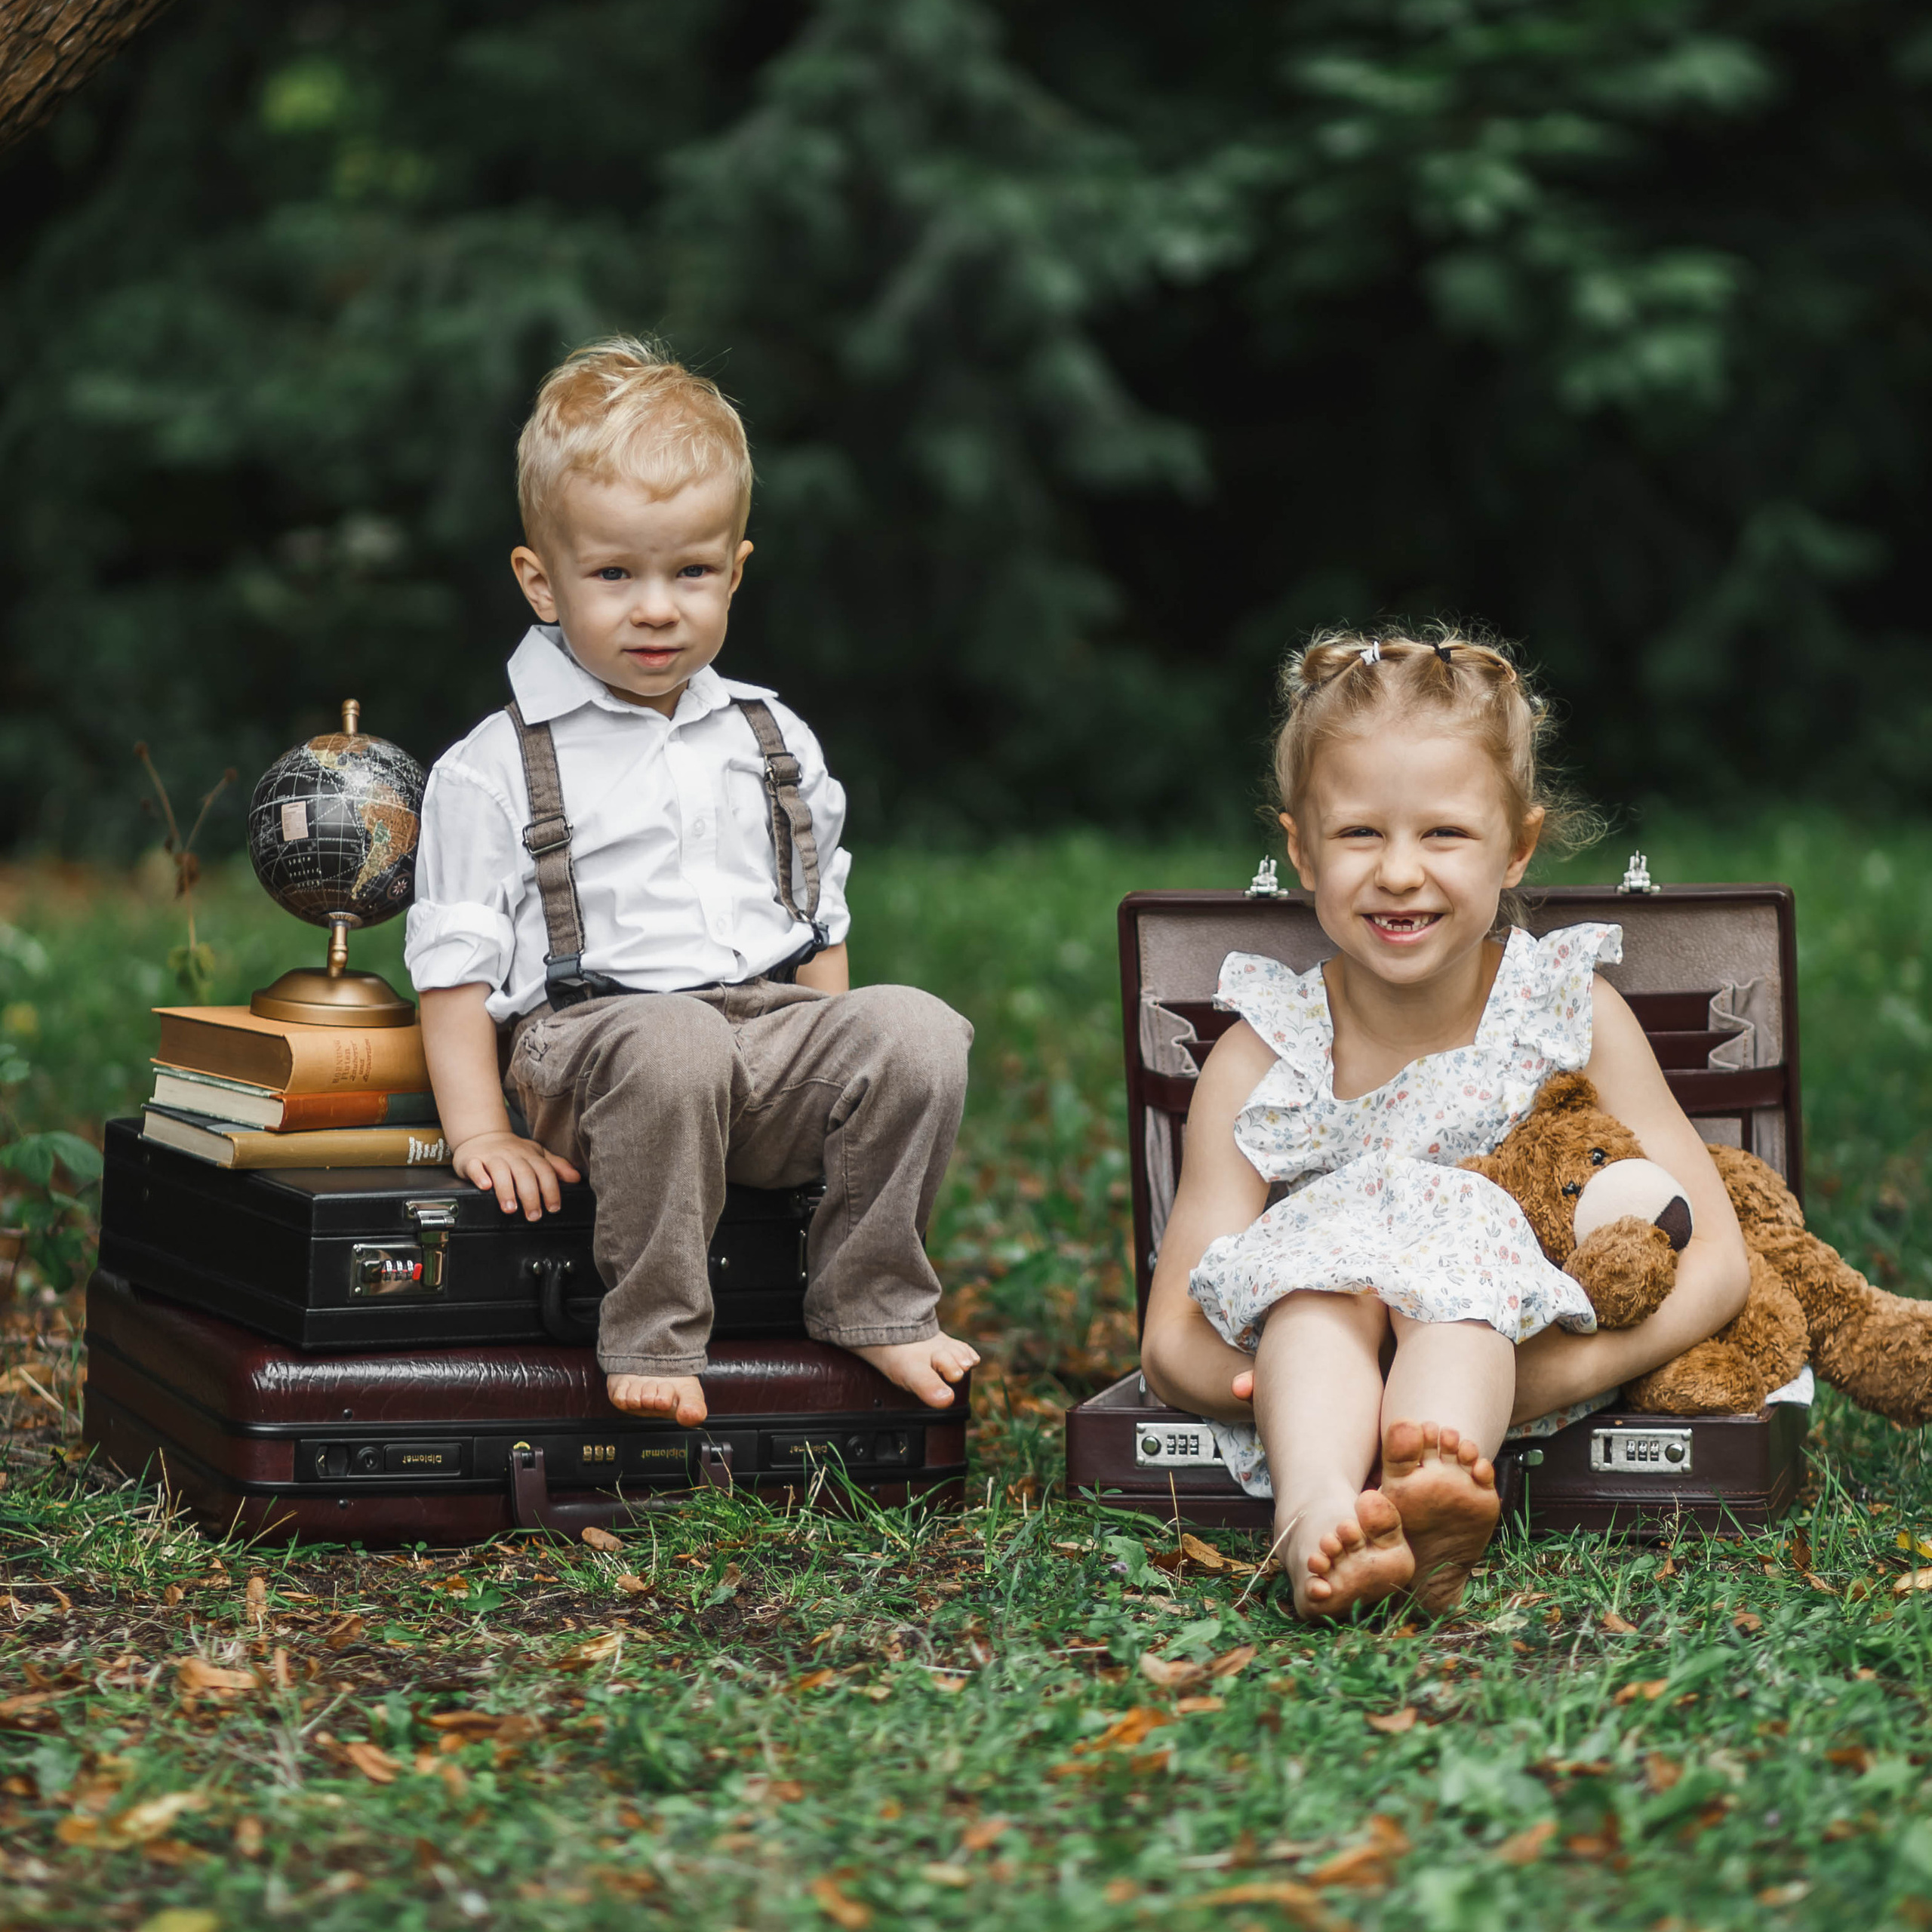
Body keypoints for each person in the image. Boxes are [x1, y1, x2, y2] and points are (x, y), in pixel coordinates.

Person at [405, 337, 980, 1424]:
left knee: (918, 1030)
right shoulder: (497, 764)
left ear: (737, 570)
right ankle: (653, 1334)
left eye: (692, 573)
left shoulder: (769, 736)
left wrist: (834, 1085)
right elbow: (455, 974)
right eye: (615, 575)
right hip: (591, 1056)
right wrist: (483, 1132)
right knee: (676, 1039)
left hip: (759, 1037)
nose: (658, 608)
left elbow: (818, 929)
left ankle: (872, 1302)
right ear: (542, 579)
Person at [1138, 629, 1752, 1619]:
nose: (1399, 872)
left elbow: (1718, 1257)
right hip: (1312, 1362)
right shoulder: (1267, 1054)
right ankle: (1322, 1524)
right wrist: (1270, 1390)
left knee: (1461, 1299)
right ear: (1300, 848)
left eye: (1444, 834)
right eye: (1360, 835)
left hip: (1491, 1342)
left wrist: (1556, 1373)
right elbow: (1169, 1337)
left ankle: (1428, 1512)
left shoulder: (1565, 1016)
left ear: (1517, 848)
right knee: (1311, 1299)